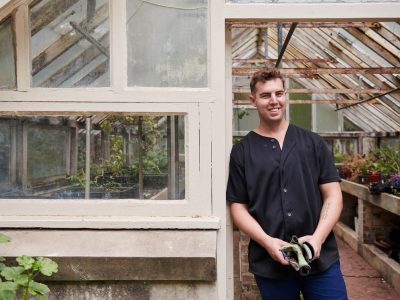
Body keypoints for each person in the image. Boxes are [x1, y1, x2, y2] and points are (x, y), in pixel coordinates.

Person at [226, 69, 348, 300]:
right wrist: (268, 242)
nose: (274, 101)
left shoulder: (313, 143)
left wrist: (317, 239)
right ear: (252, 100)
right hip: (270, 265)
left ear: (286, 96)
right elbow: (238, 207)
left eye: (279, 93)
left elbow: (333, 196)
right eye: (265, 95)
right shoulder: (242, 152)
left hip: (320, 261)